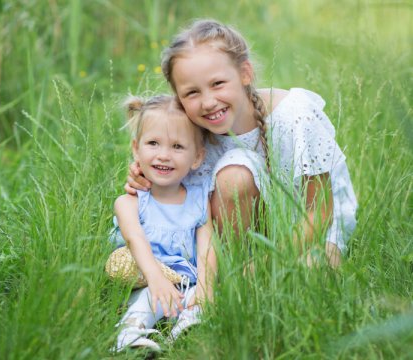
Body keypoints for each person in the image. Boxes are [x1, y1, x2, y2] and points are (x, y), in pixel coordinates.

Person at [126, 19, 357, 268]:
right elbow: (173, 189)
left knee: (313, 270)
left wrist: (269, 264)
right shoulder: (188, 133)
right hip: (228, 239)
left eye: (217, 84)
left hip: (307, 230)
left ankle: (256, 272)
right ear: (179, 98)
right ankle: (234, 268)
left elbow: (319, 212)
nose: (208, 102)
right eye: (192, 92)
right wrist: (146, 177)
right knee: (234, 176)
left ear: (245, 73)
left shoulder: (295, 116)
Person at [111, 95, 216, 352]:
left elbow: (207, 246)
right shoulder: (130, 203)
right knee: (147, 301)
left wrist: (205, 286)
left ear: (197, 157)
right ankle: (130, 334)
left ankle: (188, 326)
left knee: (198, 298)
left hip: (185, 283)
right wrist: (157, 279)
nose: (164, 155)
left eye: (177, 147)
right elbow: (135, 241)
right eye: (153, 143)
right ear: (136, 149)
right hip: (146, 279)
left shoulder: (199, 200)